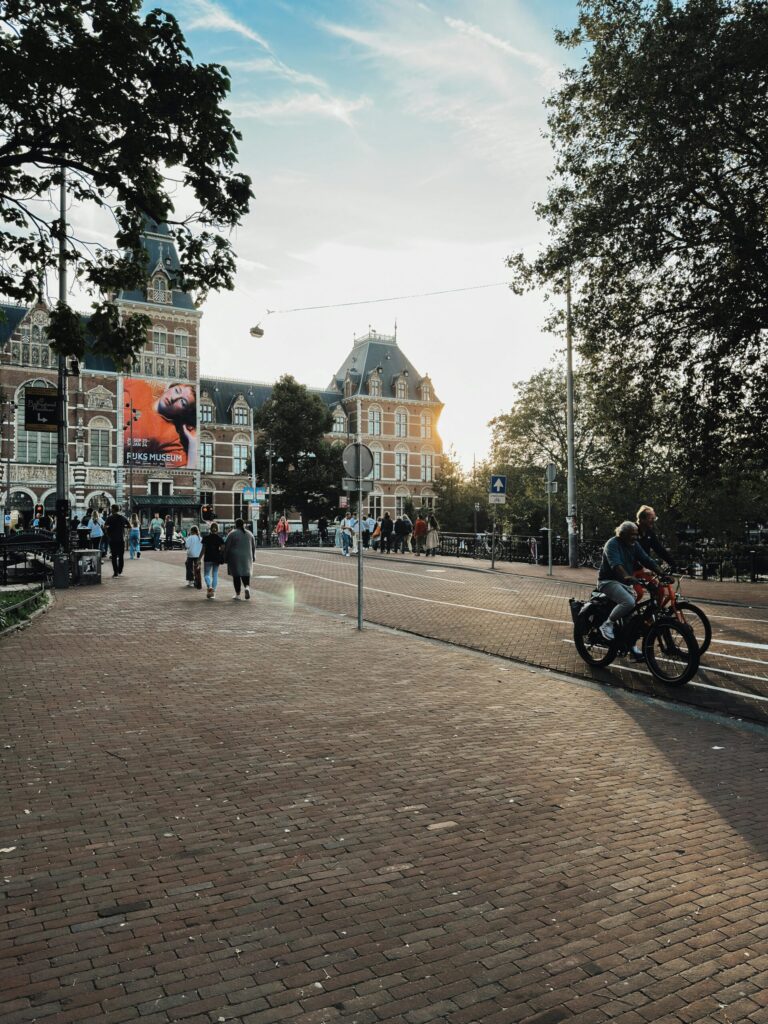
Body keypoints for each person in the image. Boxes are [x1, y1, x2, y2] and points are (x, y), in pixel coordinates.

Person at [597, 520, 662, 643]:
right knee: (629, 602)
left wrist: (661, 573)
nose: (635, 537)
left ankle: (630, 645)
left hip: (624, 583)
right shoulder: (612, 544)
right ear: (622, 534)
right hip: (608, 581)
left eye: (636, 534)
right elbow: (616, 564)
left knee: (631, 617)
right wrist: (626, 576)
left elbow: (646, 559)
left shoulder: (634, 545)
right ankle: (607, 624)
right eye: (632, 534)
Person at [123, 379, 197, 469]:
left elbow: (185, 476)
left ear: (183, 412)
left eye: (182, 402)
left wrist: (193, 443)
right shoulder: (140, 386)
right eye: (177, 391)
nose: (174, 398)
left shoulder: (170, 436)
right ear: (170, 388)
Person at [224, 517, 256, 599]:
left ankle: (238, 594)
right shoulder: (249, 534)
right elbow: (253, 546)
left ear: (235, 525)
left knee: (236, 576)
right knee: (246, 574)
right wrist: (253, 556)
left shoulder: (232, 534)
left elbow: (226, 546)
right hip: (247, 557)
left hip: (235, 557)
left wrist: (225, 557)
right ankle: (247, 587)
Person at [104, 504, 130, 578]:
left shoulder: (109, 518)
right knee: (121, 556)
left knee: (114, 556)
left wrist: (109, 528)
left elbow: (105, 526)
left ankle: (115, 573)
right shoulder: (123, 517)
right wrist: (122, 526)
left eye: (111, 509)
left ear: (113, 509)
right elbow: (129, 526)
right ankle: (120, 571)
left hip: (112, 539)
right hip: (121, 539)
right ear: (119, 509)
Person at [201, 521, 225, 599]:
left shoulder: (206, 538)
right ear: (217, 529)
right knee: (215, 574)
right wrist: (220, 553)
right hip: (216, 558)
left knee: (206, 574)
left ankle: (209, 586)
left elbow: (203, 549)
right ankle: (213, 591)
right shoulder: (219, 538)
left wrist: (199, 558)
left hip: (208, 557)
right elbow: (222, 548)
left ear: (210, 529)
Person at [184, 525, 203, 589]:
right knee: (197, 568)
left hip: (191, 555)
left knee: (189, 567)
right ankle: (197, 580)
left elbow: (187, 546)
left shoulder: (190, 537)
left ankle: (190, 580)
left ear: (191, 531)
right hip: (198, 555)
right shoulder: (200, 538)